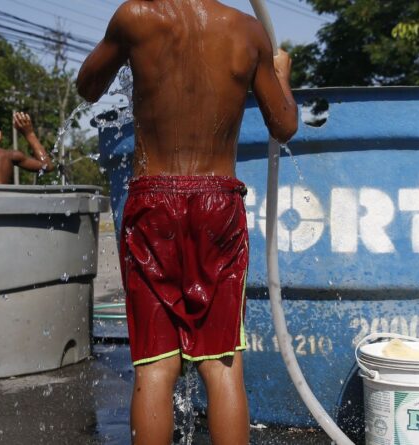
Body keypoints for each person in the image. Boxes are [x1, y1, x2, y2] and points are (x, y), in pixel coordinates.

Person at [76, 1, 298, 444]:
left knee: (155, 366)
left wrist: (128, 53)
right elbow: (284, 125)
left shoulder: (135, 18)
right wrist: (282, 76)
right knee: (222, 363)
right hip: (218, 203)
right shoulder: (247, 30)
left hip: (152, 202)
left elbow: (87, 87)